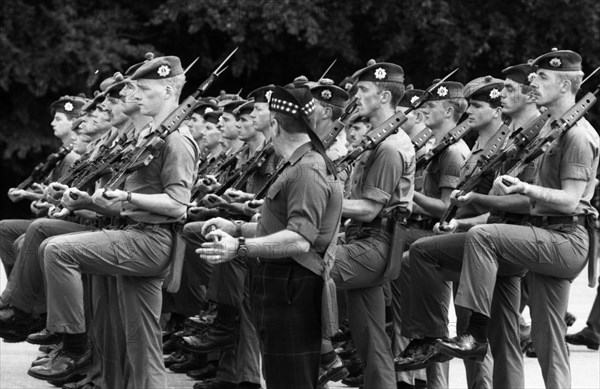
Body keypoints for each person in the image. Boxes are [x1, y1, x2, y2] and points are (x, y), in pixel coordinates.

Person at [27, 55, 198, 389]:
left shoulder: (177, 139)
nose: (135, 96)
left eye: (144, 89)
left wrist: (128, 199)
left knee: (58, 251)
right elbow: (125, 205)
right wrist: (90, 202)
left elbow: (178, 206)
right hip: (137, 235)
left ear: (166, 91)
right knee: (141, 341)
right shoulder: (151, 135)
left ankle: (74, 346)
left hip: (150, 240)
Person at [436, 49, 599, 389]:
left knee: (485, 238)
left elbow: (570, 200)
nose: (533, 84)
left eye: (542, 78)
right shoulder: (549, 129)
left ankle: (476, 331)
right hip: (545, 235)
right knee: (547, 337)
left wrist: (526, 187)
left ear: (566, 85)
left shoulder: (578, 135)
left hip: (565, 238)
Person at [197, 85, 343, 389]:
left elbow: (299, 240)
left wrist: (238, 247)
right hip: (285, 281)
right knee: (283, 375)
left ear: (275, 124)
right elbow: (280, 229)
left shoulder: (307, 170)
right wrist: (235, 227)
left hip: (294, 284)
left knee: (290, 378)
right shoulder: (299, 165)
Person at [330, 60, 415, 389]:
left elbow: (367, 209)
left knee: (306, 269)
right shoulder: (378, 140)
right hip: (366, 240)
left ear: (383, 97)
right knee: (370, 335)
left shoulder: (389, 146)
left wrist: (321, 205)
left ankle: (324, 353)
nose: (356, 94)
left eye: (363, 90)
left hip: (374, 243)